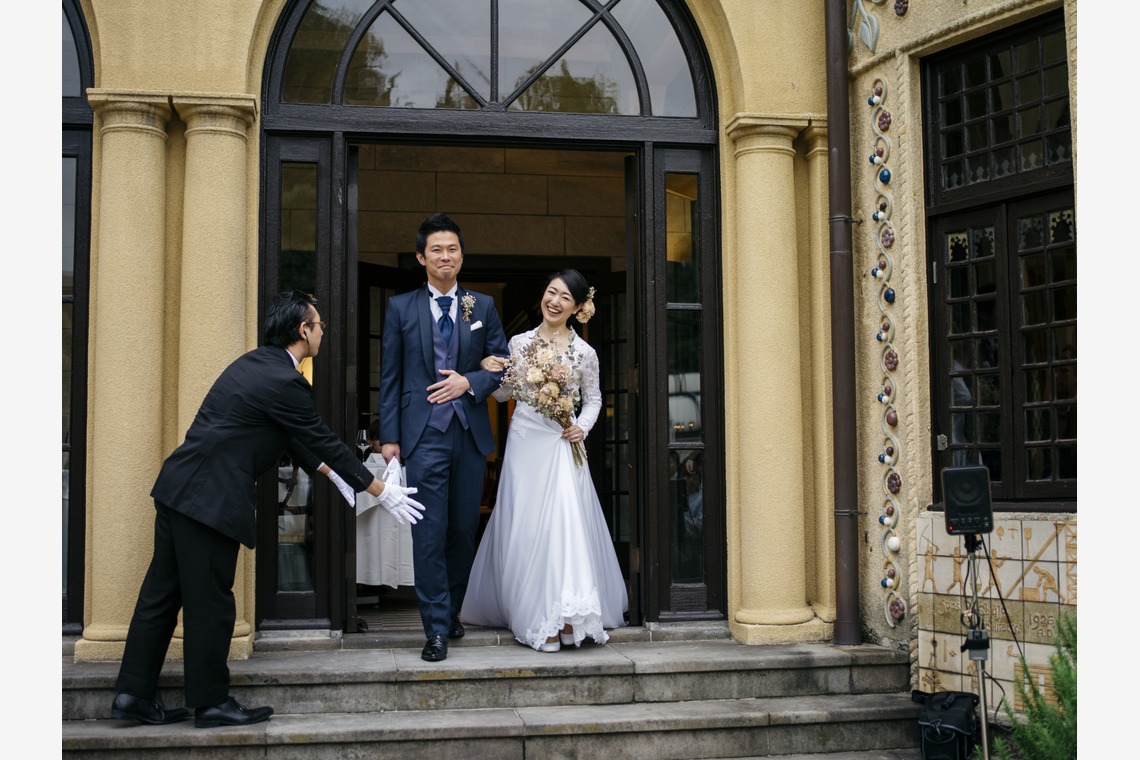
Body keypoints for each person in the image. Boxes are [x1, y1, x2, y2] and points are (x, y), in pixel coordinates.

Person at [111, 290, 424, 728]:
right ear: (303, 330)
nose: (323, 332)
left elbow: (292, 435)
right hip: (209, 501)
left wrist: (329, 474)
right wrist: (379, 489)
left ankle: (132, 695)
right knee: (211, 605)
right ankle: (211, 704)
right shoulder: (286, 381)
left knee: (160, 596)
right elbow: (320, 437)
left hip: (179, 489)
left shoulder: (254, 364)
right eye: (319, 325)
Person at [461, 269, 628, 652]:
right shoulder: (519, 342)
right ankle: (535, 615)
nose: (555, 301)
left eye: (565, 297)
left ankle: (567, 615)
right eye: (552, 292)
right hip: (525, 444)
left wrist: (582, 426)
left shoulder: (584, 353)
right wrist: (492, 370)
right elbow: (503, 396)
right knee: (526, 527)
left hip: (560, 442)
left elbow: (594, 398)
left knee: (562, 527)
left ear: (578, 306)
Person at [378, 212, 509, 662]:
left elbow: (503, 363)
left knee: (462, 530)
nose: (445, 256)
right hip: (423, 436)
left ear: (461, 257)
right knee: (429, 533)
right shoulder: (400, 308)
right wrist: (389, 436)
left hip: (469, 434)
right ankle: (435, 627)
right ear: (422, 257)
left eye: (453, 249)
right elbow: (390, 375)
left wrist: (469, 381)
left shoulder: (481, 306)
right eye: (437, 249)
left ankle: (451, 608)